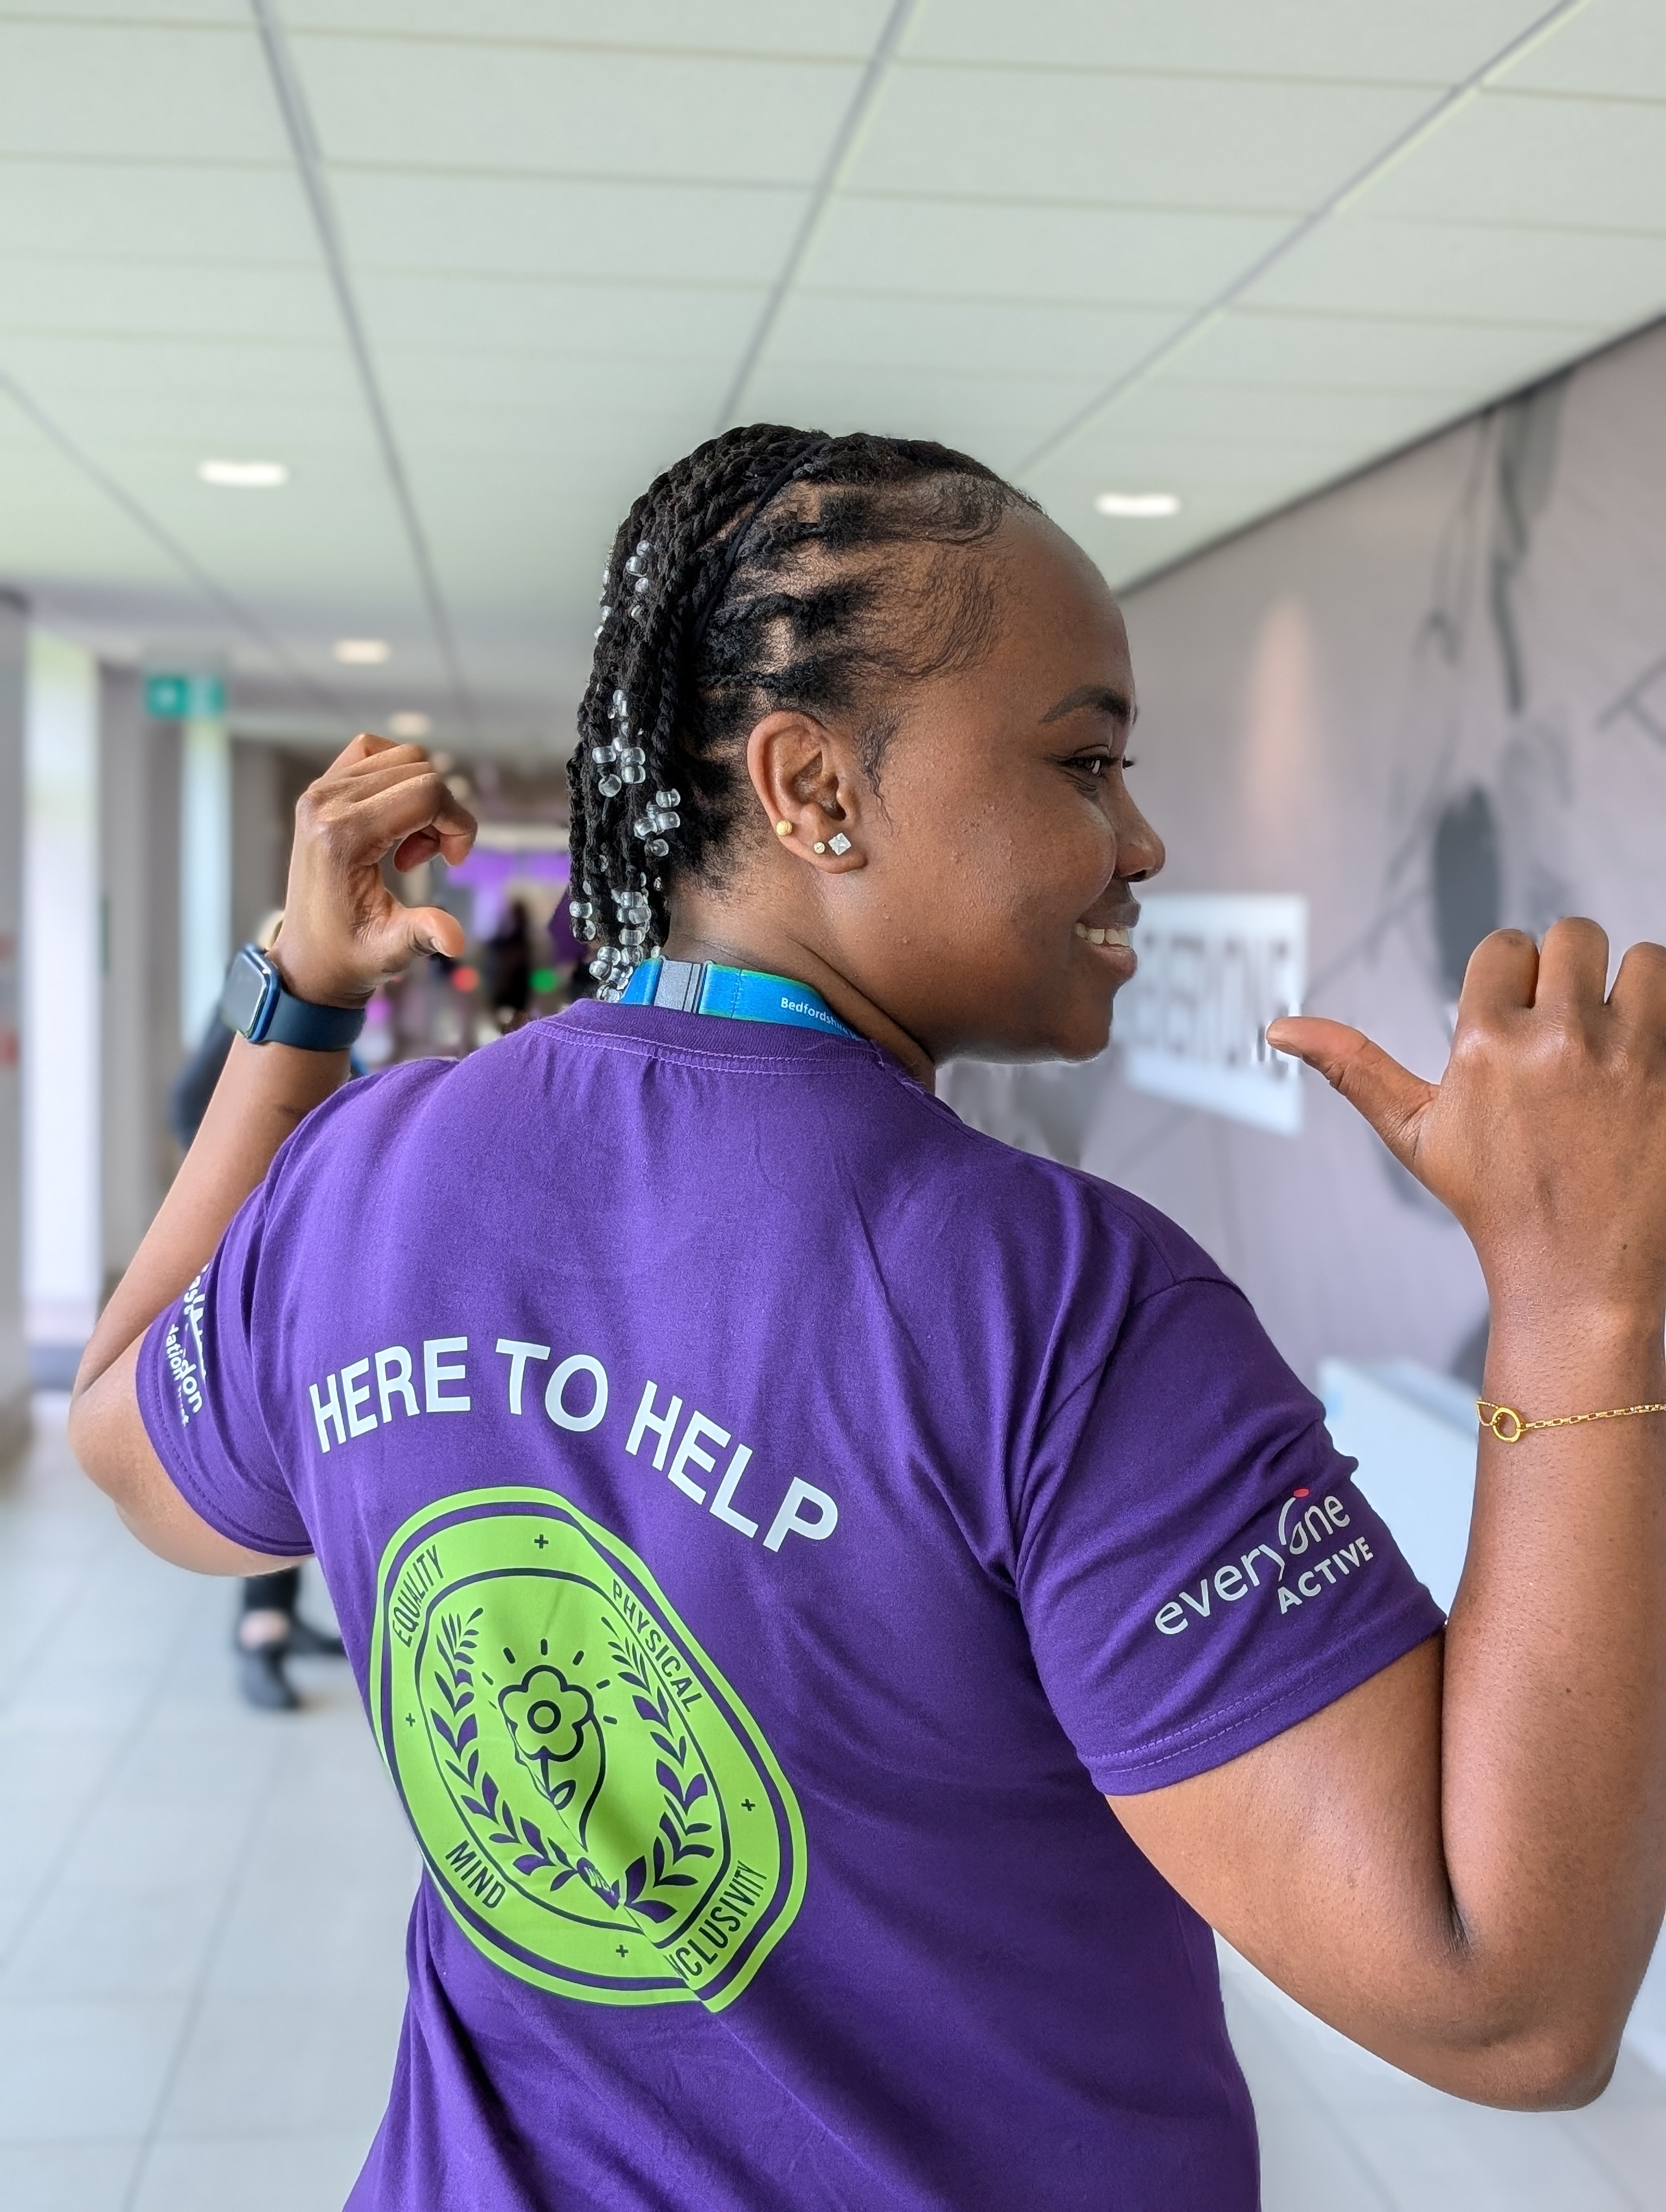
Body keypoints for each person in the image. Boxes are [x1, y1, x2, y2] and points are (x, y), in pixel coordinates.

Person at [68, 427, 1666, 2210]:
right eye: (1084, 759)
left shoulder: (368, 1167)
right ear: (813, 787)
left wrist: (291, 1007)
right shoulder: (1053, 1298)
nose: (1137, 838)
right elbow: (1502, 2001)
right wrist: (1579, 1298)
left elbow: (129, 1438)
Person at [169, 915, 349, 1712]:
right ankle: (260, 1636)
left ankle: (281, 1616)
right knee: (267, 1445)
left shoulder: (319, 1018)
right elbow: (191, 1113)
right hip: (249, 1264)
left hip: (296, 1254)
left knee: (298, 1446)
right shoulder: (256, 1024)